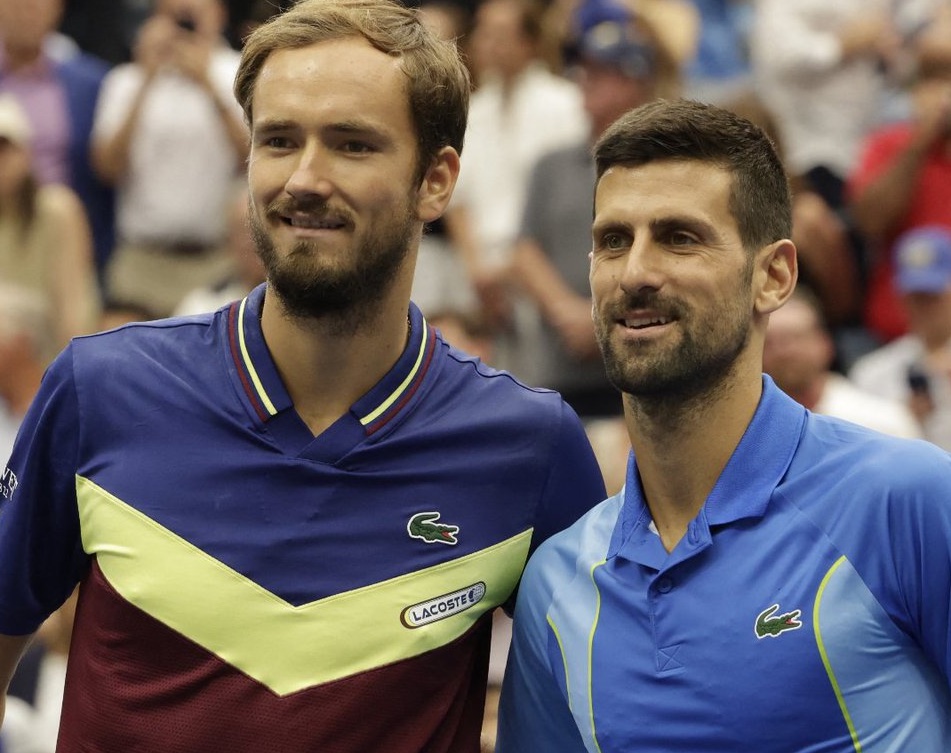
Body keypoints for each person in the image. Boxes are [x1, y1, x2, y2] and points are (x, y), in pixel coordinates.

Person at [0, 2, 607, 751]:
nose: (305, 179)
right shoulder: (99, 389)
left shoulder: (530, 446)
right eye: (279, 140)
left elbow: (593, 712)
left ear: (436, 180)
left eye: (352, 145)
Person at [495, 98, 951, 751]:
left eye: (679, 237)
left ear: (773, 275)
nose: (635, 273)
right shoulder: (557, 579)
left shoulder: (905, 498)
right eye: (612, 241)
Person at [511, 0, 669, 421]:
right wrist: (567, 312)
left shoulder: (664, 165)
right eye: (584, 72)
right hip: (560, 366)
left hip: (643, 368)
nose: (585, 83)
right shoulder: (552, 164)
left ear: (635, 81)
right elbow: (524, 248)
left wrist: (598, 317)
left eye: (602, 73)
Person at [91, 0, 249, 318]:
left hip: (215, 261)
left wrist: (207, 84)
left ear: (219, 14)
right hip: (140, 260)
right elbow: (106, 168)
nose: (181, 26)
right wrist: (145, 79)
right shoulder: (125, 80)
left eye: (191, 16)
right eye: (172, 15)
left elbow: (253, 158)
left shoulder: (239, 71)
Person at [848, 12, 951, 344]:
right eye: (934, 77)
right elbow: (869, 222)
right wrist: (921, 141)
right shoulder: (889, 144)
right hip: (897, 341)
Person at [0, 0, 115, 280]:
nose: (27, 12)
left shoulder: (91, 83)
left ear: (57, 9)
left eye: (37, 4)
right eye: (17, 5)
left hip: (67, 232)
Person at [0, 94, 101, 359]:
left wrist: (72, 370)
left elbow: (73, 305)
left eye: (3, 148)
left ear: (25, 152)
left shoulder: (56, 209)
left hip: (42, 355)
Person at [763, 285, 921, 438]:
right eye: (770, 343)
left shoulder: (880, 422)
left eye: (795, 338)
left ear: (825, 343)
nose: (784, 352)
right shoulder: (750, 430)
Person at [850, 225, 951, 451]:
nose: (924, 307)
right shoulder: (872, 372)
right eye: (915, 297)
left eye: (933, 296)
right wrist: (902, 420)